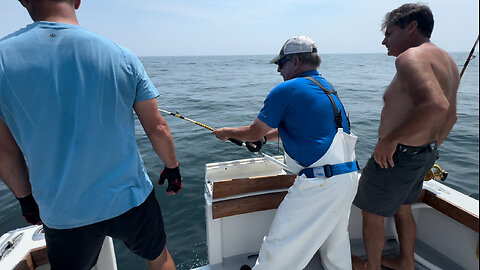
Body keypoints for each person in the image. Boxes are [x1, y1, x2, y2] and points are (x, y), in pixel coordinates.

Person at [0, 1, 182, 269]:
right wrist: (172, 167)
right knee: (158, 257)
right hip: (130, 200)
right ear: (77, 0)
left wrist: (26, 199)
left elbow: (5, 151)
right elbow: (157, 127)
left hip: (62, 211)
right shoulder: (121, 55)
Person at [213, 35, 360, 270]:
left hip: (321, 183)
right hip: (348, 178)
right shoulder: (326, 88)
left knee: (279, 245)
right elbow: (303, 129)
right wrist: (265, 138)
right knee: (335, 244)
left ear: (296, 61)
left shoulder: (287, 89)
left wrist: (225, 131)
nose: (279, 70)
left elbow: (252, 132)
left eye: (281, 64)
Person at [352, 3, 459, 270]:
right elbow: (452, 116)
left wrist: (390, 140)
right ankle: (405, 262)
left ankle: (371, 267)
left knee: (372, 213)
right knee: (404, 207)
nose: (384, 41)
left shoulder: (411, 57)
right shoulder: (446, 60)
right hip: (425, 152)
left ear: (411, 27)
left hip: (397, 156)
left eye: (389, 33)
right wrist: (428, 148)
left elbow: (436, 106)